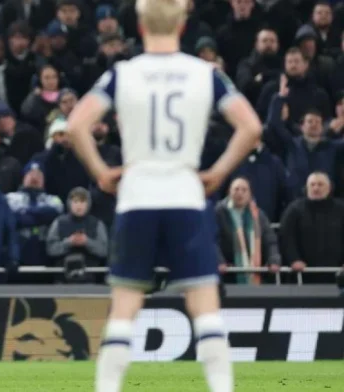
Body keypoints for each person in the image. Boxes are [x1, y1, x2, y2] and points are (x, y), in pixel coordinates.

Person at [65, 1, 263, 391]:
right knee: (205, 308)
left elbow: (76, 125)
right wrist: (219, 172)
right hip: (185, 194)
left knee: (124, 309)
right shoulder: (205, 74)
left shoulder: (123, 74)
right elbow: (251, 127)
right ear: (184, 24)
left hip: (137, 195)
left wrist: (102, 172)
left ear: (139, 26)